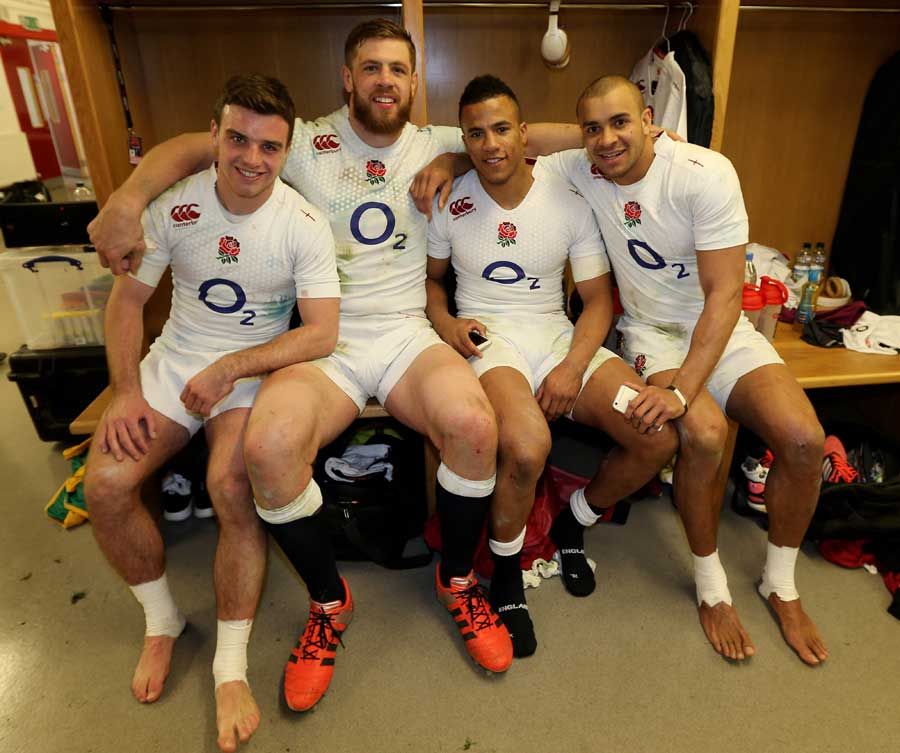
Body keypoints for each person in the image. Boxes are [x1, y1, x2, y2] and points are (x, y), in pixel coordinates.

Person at [86, 20, 582, 707]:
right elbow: (195, 147)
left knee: (474, 426)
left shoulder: (437, 142)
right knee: (267, 447)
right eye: (371, 67)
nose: (385, 81)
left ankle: (458, 583)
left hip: (407, 333)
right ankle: (327, 603)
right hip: (328, 340)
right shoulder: (301, 143)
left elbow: (535, 135)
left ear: (415, 82)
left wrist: (634, 137)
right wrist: (127, 198)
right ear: (348, 77)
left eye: (398, 69)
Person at [83, 74, 340, 753]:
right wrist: (124, 391)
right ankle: (162, 621)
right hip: (177, 358)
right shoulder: (177, 205)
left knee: (230, 485)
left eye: (270, 147)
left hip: (250, 368)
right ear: (214, 136)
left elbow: (321, 333)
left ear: (287, 151)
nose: (252, 159)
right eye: (238, 140)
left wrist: (232, 368)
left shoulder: (303, 223)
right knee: (104, 485)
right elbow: (127, 303)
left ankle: (229, 666)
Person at [536, 75, 828, 665]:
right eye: (593, 128)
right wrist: (444, 158)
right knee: (705, 434)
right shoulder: (585, 164)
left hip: (719, 327)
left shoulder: (703, 173)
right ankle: (711, 584)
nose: (606, 139)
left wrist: (684, 390)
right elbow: (516, 138)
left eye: (621, 122)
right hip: (651, 332)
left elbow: (725, 295)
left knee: (805, 440)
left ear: (651, 119)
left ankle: (780, 583)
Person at [425, 75, 678, 658]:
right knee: (527, 446)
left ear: (523, 132)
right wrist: (446, 323)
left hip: (558, 335)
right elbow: (433, 284)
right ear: (464, 140)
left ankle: (574, 521)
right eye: (476, 134)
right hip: (492, 342)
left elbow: (596, 301)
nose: (491, 145)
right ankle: (507, 575)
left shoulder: (567, 195)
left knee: (656, 436)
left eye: (502, 129)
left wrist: (571, 366)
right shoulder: (451, 200)